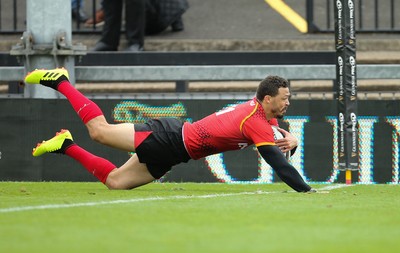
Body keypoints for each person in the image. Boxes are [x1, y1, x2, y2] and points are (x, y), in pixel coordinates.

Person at [24, 68, 315, 193]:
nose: (288, 102)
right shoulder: (254, 119)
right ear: (268, 99)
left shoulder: (261, 113)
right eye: (285, 98)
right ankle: (61, 81)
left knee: (115, 182)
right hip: (168, 138)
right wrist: (306, 190)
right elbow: (279, 164)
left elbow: (278, 140)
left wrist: (290, 138)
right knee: (99, 131)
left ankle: (65, 145)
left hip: (175, 152)